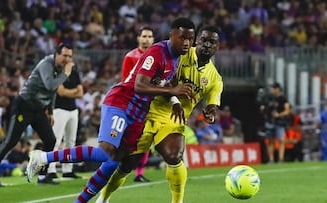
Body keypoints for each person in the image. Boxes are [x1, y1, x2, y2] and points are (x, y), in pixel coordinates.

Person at [26, 17, 195, 203]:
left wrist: (175, 101)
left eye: (190, 39)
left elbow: (165, 81)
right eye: (182, 38)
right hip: (122, 102)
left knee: (115, 161)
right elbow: (140, 85)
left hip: (139, 113)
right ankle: (42, 157)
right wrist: (173, 91)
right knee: (107, 152)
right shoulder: (157, 52)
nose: (186, 42)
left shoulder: (177, 57)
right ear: (172, 35)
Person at [96, 25, 223, 203]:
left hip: (173, 120)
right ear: (196, 41)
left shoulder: (215, 78)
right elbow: (162, 79)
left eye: (212, 42)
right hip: (148, 111)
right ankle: (103, 198)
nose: (207, 45)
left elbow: (212, 103)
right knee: (126, 164)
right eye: (204, 40)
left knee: (174, 156)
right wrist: (175, 98)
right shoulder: (181, 54)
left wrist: (210, 112)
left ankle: (177, 201)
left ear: (218, 46)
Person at [0, 43, 74, 187]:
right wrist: (66, 74)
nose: (68, 59)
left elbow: (52, 92)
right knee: (11, 141)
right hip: (24, 106)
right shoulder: (46, 64)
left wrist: (50, 112)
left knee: (50, 140)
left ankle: (43, 176)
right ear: (56, 54)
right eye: (65, 55)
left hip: (39, 109)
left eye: (70, 56)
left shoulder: (59, 68)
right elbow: (50, 85)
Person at [121, 25, 155, 183]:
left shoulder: (156, 57)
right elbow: (125, 82)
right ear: (138, 38)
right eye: (144, 36)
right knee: (129, 139)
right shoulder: (131, 57)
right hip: (133, 105)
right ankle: (120, 167)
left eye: (149, 37)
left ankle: (139, 173)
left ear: (153, 39)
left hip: (150, 104)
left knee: (146, 138)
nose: (147, 39)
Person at [47, 66, 83, 179]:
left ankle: (67, 170)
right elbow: (60, 92)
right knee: (56, 140)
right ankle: (51, 169)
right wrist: (74, 91)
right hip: (59, 109)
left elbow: (81, 93)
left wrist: (69, 92)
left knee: (71, 141)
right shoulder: (57, 72)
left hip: (73, 109)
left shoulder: (75, 73)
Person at [266, 82, 291, 163]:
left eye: (273, 88)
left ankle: (281, 158)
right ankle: (271, 159)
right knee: (270, 140)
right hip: (270, 121)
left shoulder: (283, 99)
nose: (272, 90)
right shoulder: (269, 98)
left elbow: (287, 110)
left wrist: (279, 115)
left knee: (281, 140)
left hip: (279, 122)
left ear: (277, 89)